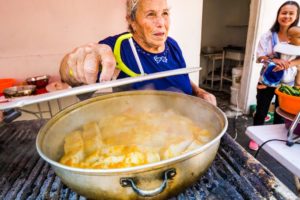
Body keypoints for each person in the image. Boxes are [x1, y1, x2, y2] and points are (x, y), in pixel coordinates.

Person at [59, 0, 217, 106]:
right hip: (144, 137)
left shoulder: (172, 45)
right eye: (151, 14)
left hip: (186, 124)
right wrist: (72, 65)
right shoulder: (118, 48)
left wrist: (199, 91)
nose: (161, 23)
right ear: (132, 21)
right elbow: (69, 72)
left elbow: (182, 77)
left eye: (165, 13)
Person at [250, 1, 300, 151]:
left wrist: (289, 64)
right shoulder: (268, 36)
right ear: (278, 15)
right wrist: (273, 59)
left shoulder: (299, 37)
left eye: (291, 13)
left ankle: (276, 140)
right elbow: (259, 58)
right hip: (267, 80)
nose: (287, 16)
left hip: (287, 83)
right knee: (262, 109)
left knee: (282, 112)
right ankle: (255, 138)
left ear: (296, 16)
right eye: (284, 12)